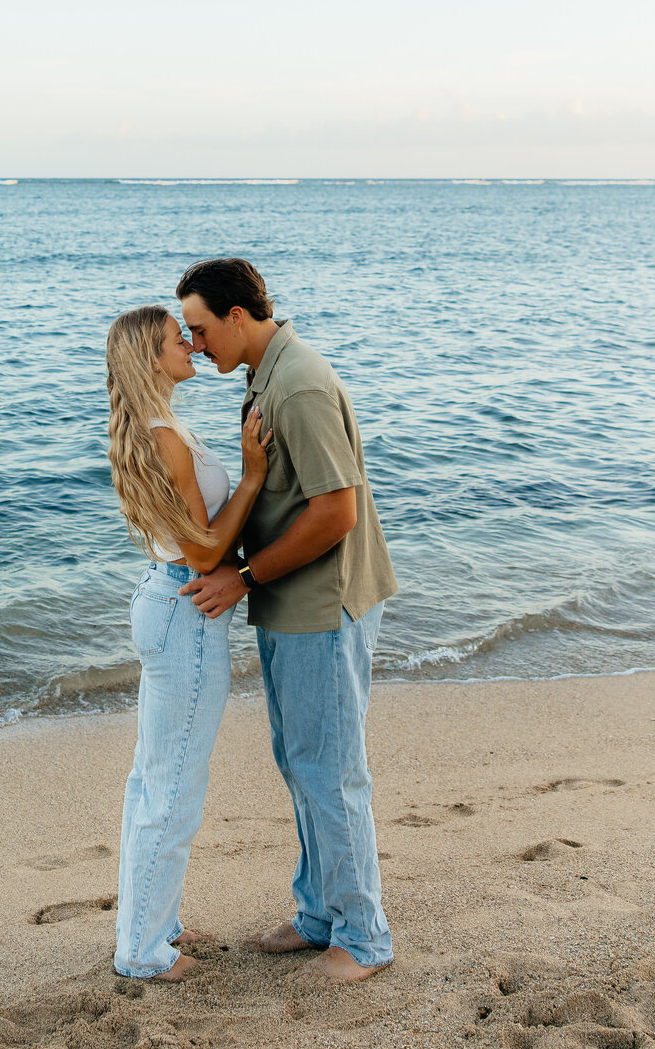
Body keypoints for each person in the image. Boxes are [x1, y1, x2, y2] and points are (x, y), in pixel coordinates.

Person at [176, 259, 398, 985]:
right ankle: (317, 915)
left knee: (329, 773)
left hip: (319, 607)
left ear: (238, 317)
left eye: (201, 329)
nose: (196, 343)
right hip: (291, 604)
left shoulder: (296, 383)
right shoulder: (265, 372)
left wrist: (240, 577)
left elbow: (337, 511)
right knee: (300, 764)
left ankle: (362, 939)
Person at [105, 304, 270, 981]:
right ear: (151, 358)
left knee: (152, 781)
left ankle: (154, 925)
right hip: (184, 607)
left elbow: (190, 541)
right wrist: (254, 473)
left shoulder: (162, 427)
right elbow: (205, 552)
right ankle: (143, 953)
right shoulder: (163, 436)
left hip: (163, 600)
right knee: (171, 790)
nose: (193, 346)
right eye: (181, 340)